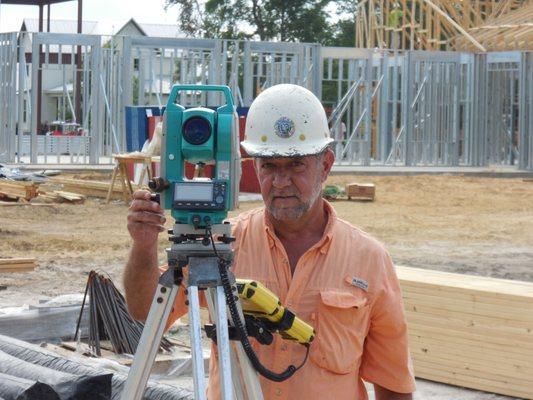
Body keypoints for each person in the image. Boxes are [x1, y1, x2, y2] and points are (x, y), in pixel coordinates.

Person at [124, 84, 415, 400]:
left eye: (296, 164)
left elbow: (393, 383)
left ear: (326, 165)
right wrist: (143, 246)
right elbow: (143, 310)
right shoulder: (218, 243)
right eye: (269, 166)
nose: (280, 181)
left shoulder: (368, 259)